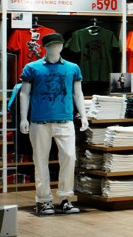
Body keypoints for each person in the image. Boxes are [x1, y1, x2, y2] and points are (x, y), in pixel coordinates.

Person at [20, 33, 89, 216]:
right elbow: (24, 94)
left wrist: (83, 115)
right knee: (40, 160)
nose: (55, 48)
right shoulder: (32, 68)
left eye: (58, 44)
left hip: (65, 120)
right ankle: (44, 200)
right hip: (39, 121)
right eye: (51, 45)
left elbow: (78, 93)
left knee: (69, 157)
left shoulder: (72, 68)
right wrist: (23, 118)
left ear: (62, 46)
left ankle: (65, 198)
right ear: (45, 47)